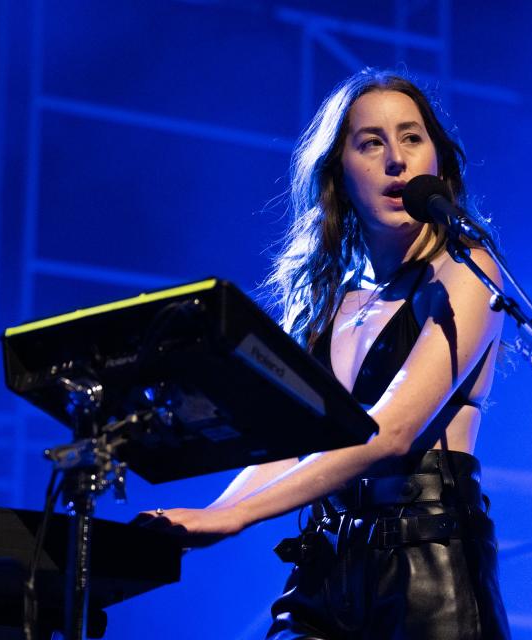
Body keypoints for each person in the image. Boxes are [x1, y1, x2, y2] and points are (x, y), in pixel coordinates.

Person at [141, 68, 511, 639]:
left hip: (427, 571)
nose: (396, 160)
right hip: (325, 564)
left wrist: (238, 517)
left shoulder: (468, 269)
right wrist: (212, 515)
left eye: (412, 138)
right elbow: (291, 443)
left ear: (439, 160)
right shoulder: (332, 304)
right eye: (371, 142)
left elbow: (392, 431)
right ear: (340, 171)